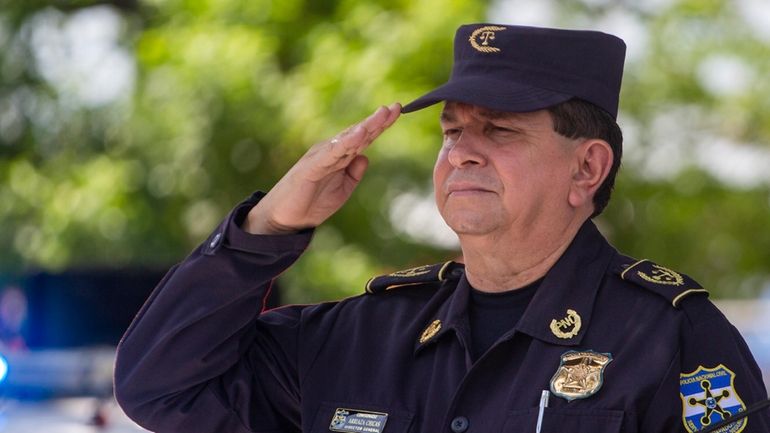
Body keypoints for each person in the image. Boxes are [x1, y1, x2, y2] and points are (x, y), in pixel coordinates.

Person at [114, 24, 769, 433]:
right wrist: (268, 224)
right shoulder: (365, 335)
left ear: (587, 167)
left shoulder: (672, 336)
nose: (462, 152)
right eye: (452, 130)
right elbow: (161, 387)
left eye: (500, 129)